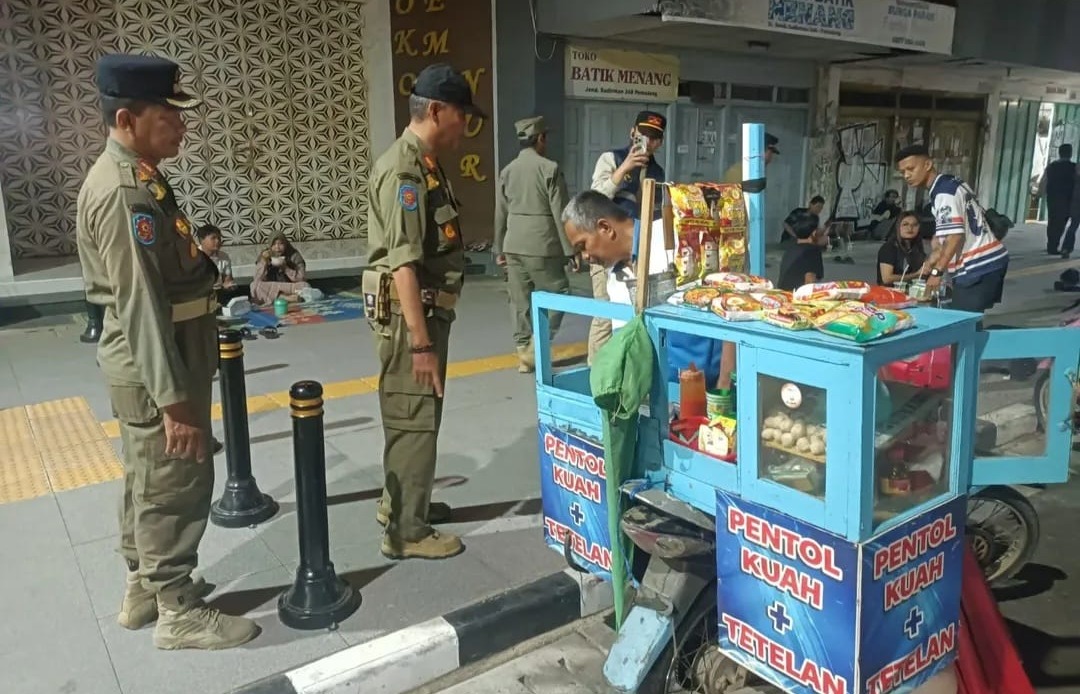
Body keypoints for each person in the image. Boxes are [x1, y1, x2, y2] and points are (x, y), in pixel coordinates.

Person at [75, 54, 258, 649]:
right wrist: (176, 400)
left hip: (155, 361)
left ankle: (142, 591)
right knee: (175, 482)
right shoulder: (125, 193)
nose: (182, 127)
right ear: (127, 118)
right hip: (160, 365)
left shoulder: (141, 174)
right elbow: (140, 304)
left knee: (145, 478)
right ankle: (177, 608)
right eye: (169, 116)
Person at [364, 63, 477, 560]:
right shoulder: (405, 170)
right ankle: (407, 532)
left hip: (426, 313)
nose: (466, 126)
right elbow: (404, 264)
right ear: (435, 110)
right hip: (416, 317)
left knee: (416, 412)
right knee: (415, 416)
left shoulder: (425, 163)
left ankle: (402, 503)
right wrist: (421, 342)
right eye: (462, 115)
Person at [561, 190, 733, 391]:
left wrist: (725, 383)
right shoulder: (614, 278)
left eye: (583, 246)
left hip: (710, 390)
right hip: (662, 399)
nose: (585, 257)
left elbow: (729, 306)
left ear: (605, 227)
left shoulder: (676, 240)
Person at [493, 115, 573, 373]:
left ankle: (523, 354)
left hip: (513, 242)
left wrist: (498, 247)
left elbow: (500, 212)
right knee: (559, 293)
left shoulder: (507, 171)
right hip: (542, 243)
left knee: (519, 299)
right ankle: (535, 348)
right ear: (540, 139)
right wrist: (570, 250)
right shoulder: (549, 168)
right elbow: (560, 212)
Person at [587, 111, 666, 365]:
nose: (648, 141)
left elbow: (655, 212)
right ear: (633, 132)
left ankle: (624, 368)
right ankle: (596, 371)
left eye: (655, 137)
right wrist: (625, 169)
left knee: (637, 311)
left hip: (639, 252)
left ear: (660, 143)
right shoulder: (611, 159)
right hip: (605, 249)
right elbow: (594, 199)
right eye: (644, 134)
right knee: (605, 313)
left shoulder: (657, 171)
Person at [896, 143, 1009, 313]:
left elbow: (955, 235)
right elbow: (949, 229)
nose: (907, 175)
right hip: (989, 262)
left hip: (979, 265)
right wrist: (935, 252)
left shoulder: (944, 194)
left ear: (928, 165)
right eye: (903, 172)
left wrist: (936, 272)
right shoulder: (950, 183)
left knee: (961, 324)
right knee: (967, 322)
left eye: (911, 169)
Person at [777, 206, 827, 292]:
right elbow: (809, 283)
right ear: (814, 232)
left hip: (782, 294)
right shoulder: (812, 252)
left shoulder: (791, 247)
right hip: (796, 298)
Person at [250, 233, 310, 305]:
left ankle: (279, 298)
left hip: (288, 287)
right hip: (271, 287)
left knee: (305, 286)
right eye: (274, 244)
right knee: (254, 286)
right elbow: (257, 279)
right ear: (270, 245)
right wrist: (264, 262)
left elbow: (301, 278)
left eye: (281, 244)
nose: (277, 247)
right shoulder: (265, 255)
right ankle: (287, 298)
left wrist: (285, 268)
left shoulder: (294, 256)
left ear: (286, 244)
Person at [1039, 143, 1076, 255]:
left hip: (1053, 198)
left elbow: (1044, 181)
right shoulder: (1074, 167)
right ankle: (1054, 245)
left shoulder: (1052, 166)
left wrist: (1041, 194)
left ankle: (1051, 244)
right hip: (1067, 199)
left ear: (1059, 153)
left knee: (1052, 221)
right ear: (1070, 154)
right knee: (1061, 224)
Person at [197, 224, 244, 306]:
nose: (218, 241)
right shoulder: (194, 257)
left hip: (219, 292)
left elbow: (227, 279)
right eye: (213, 238)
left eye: (219, 238)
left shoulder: (224, 256)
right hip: (200, 295)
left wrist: (229, 285)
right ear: (202, 240)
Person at [876, 211, 928, 285]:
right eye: (905, 224)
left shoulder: (917, 250)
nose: (910, 228)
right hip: (889, 294)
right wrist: (916, 275)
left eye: (915, 225)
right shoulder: (889, 248)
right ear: (898, 227)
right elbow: (887, 279)